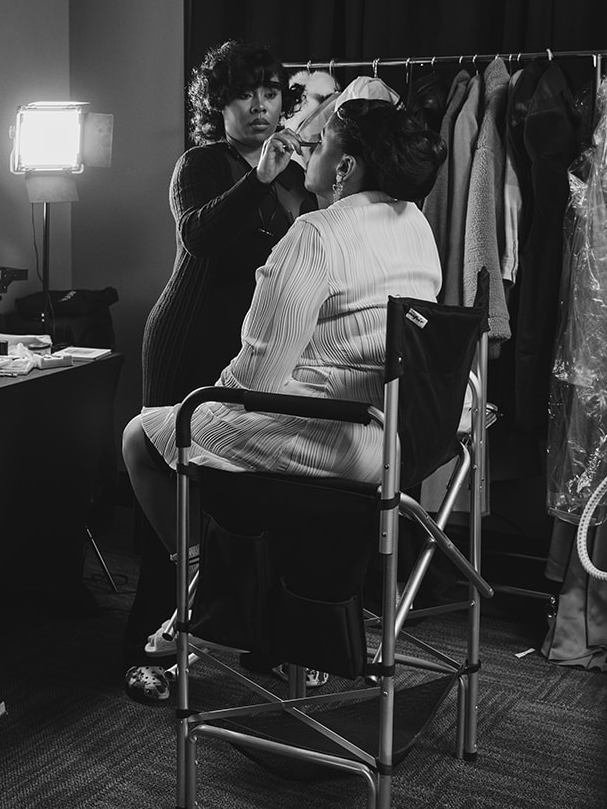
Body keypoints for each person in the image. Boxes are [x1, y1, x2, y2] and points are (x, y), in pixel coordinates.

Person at [122, 95, 447, 702]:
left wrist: (210, 398)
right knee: (211, 437)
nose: (309, 151)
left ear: (345, 167)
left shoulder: (317, 234)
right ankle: (249, 606)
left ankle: (201, 589)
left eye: (321, 143)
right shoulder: (416, 225)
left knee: (146, 436)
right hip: (390, 439)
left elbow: (259, 384)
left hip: (324, 436)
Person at [124, 40, 317, 674]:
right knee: (174, 486)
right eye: (244, 94)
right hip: (185, 340)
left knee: (237, 496)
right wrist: (256, 178)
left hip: (252, 349)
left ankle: (230, 639)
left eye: (270, 93)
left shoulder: (295, 172)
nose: (260, 107)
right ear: (219, 103)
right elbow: (200, 238)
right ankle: (149, 649)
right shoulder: (199, 164)